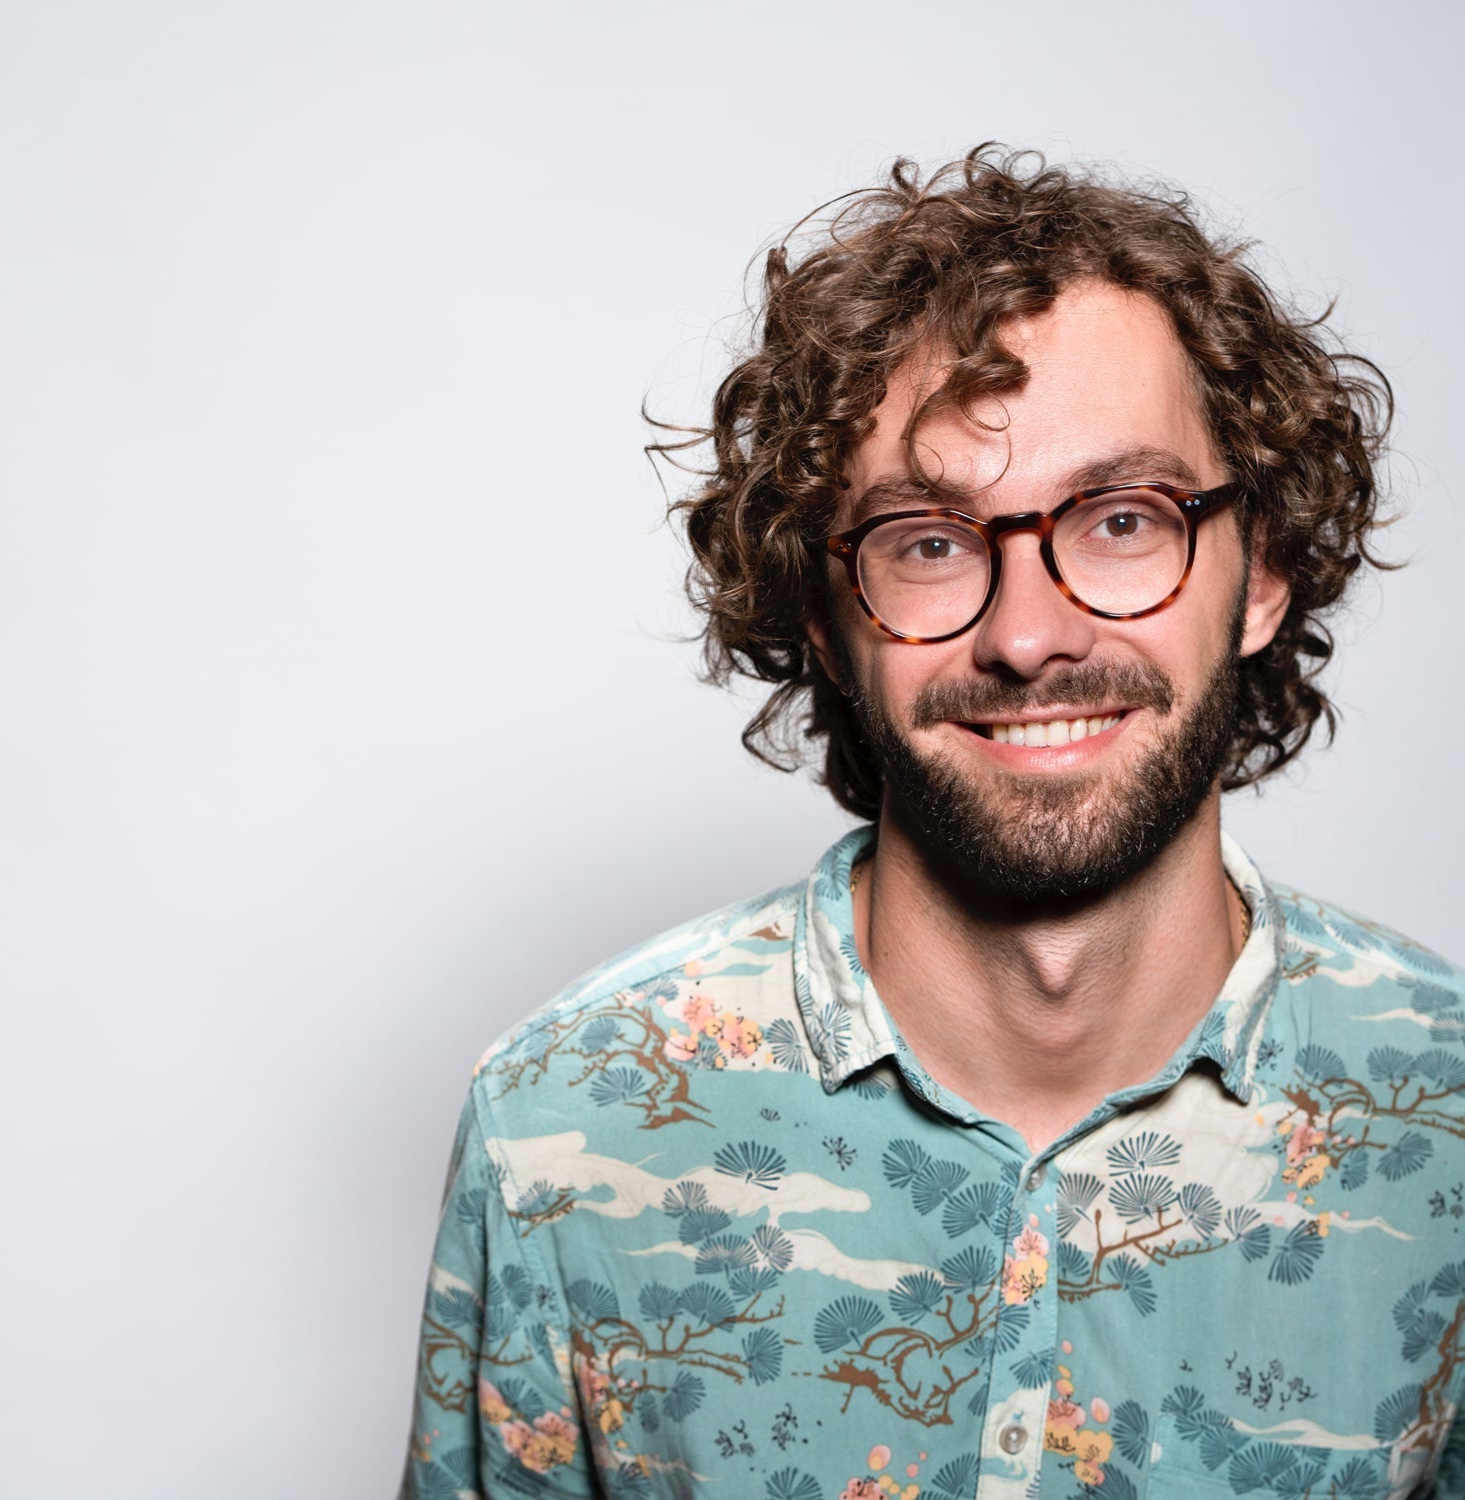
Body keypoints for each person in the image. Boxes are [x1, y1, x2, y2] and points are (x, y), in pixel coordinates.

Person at [400, 147, 1465, 1500]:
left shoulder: (1445, 1122)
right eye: (927, 541)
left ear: (1265, 576)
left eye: (1124, 518)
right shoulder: (560, 1131)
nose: (1027, 636)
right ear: (827, 626)